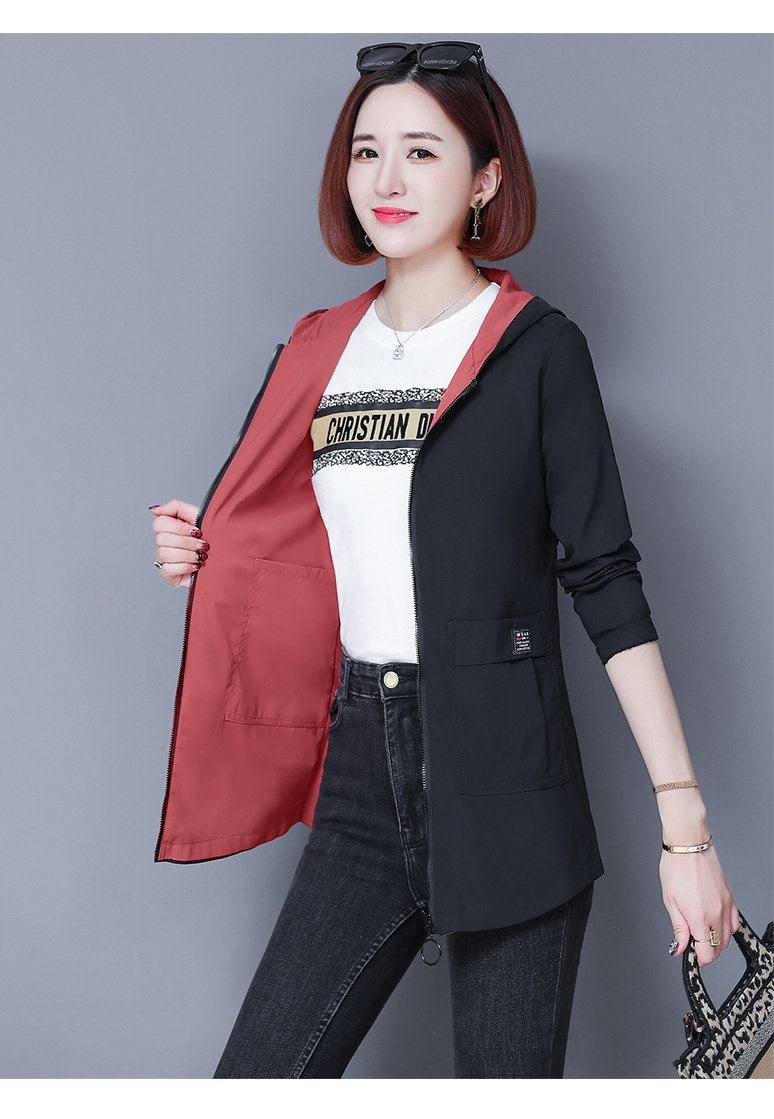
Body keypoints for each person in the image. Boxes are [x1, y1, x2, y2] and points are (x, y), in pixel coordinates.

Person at [149, 41, 738, 1078]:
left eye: (422, 151)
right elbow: (302, 535)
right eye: (366, 150)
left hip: (509, 777)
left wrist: (683, 830)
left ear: (484, 180)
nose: (386, 177)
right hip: (361, 770)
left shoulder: (535, 348)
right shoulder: (318, 349)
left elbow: (604, 576)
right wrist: (207, 544)